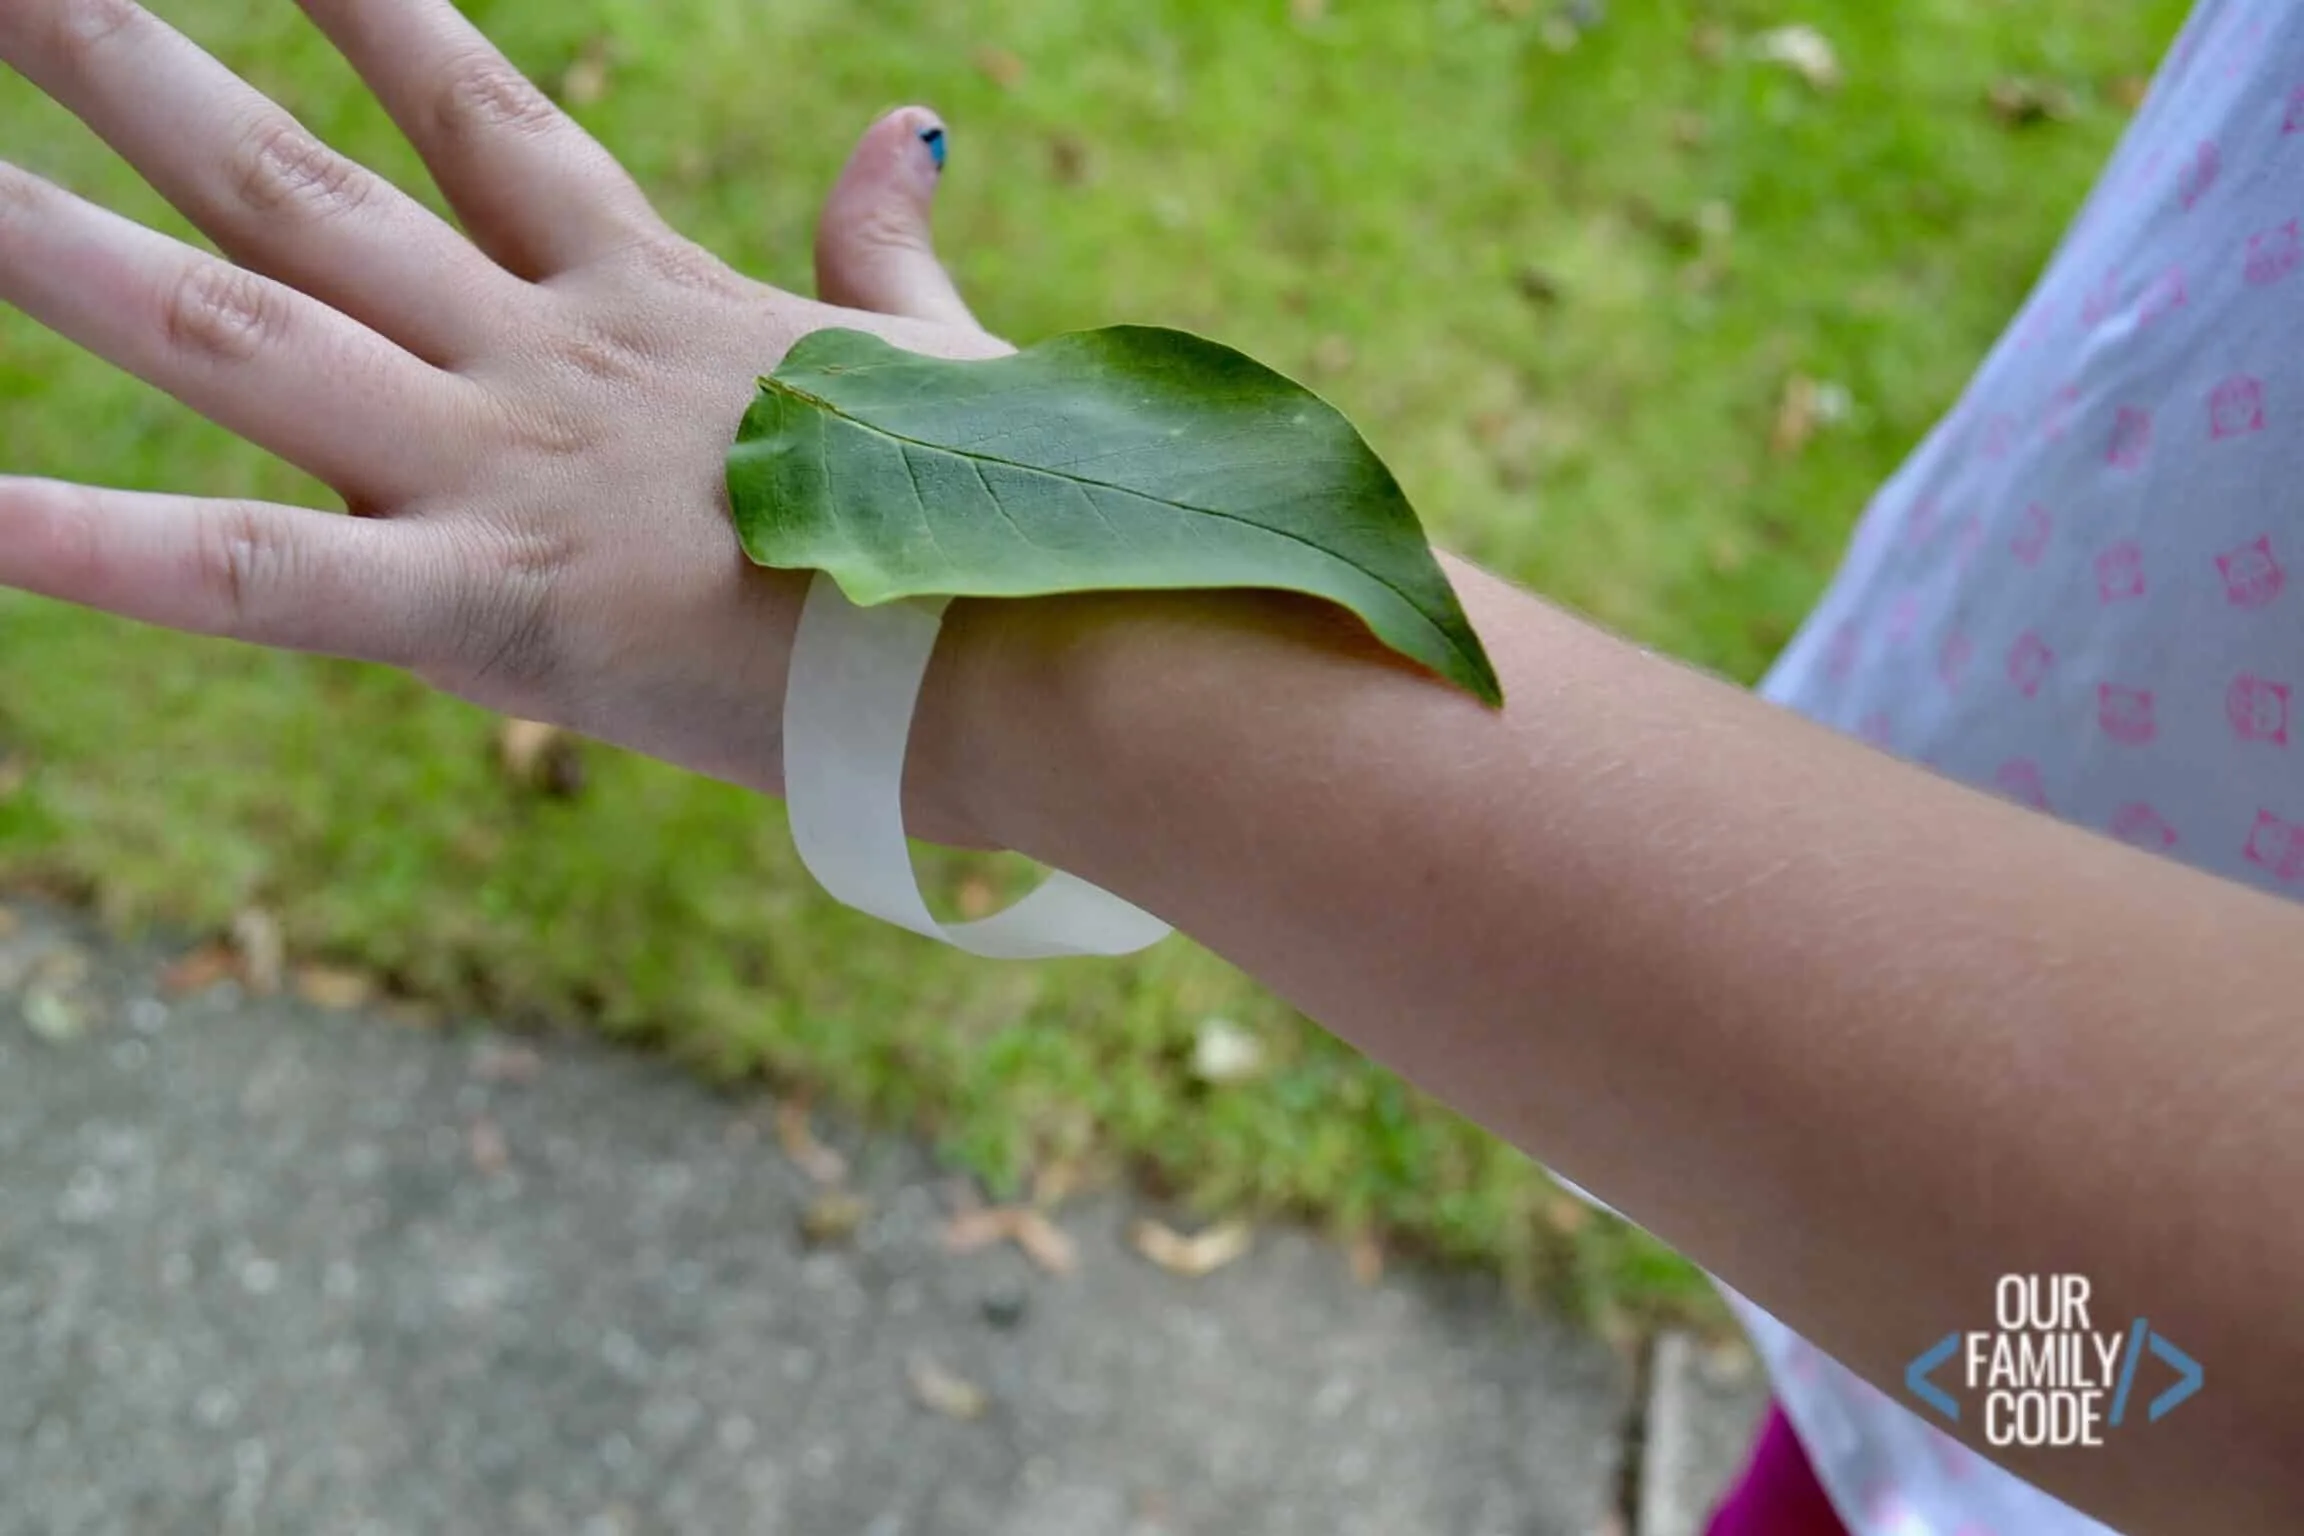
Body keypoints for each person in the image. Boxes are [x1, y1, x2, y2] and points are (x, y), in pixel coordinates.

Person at [0, 3, 2294, 1533]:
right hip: (2001, 1303)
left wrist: (1035, 637)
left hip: (2130, 1363)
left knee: (2096, 1422)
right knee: (1999, 1415)